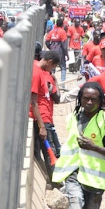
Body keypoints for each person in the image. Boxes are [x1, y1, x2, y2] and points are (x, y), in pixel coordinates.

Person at [31, 50, 62, 181]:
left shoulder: (41, 71)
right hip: (42, 119)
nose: (52, 70)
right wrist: (42, 126)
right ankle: (56, 182)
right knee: (50, 153)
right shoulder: (36, 73)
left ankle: (51, 179)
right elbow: (33, 102)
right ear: (49, 62)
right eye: (53, 67)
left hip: (45, 118)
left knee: (50, 152)